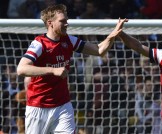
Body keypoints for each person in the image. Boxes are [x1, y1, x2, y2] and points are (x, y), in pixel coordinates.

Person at [16, 4, 127, 134]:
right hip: (38, 106)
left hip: (63, 105)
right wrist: (52, 70)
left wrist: (112, 35)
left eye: (67, 20)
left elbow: (99, 50)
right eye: (62, 21)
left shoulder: (69, 40)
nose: (67, 24)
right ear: (50, 23)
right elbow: (21, 69)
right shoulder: (39, 44)